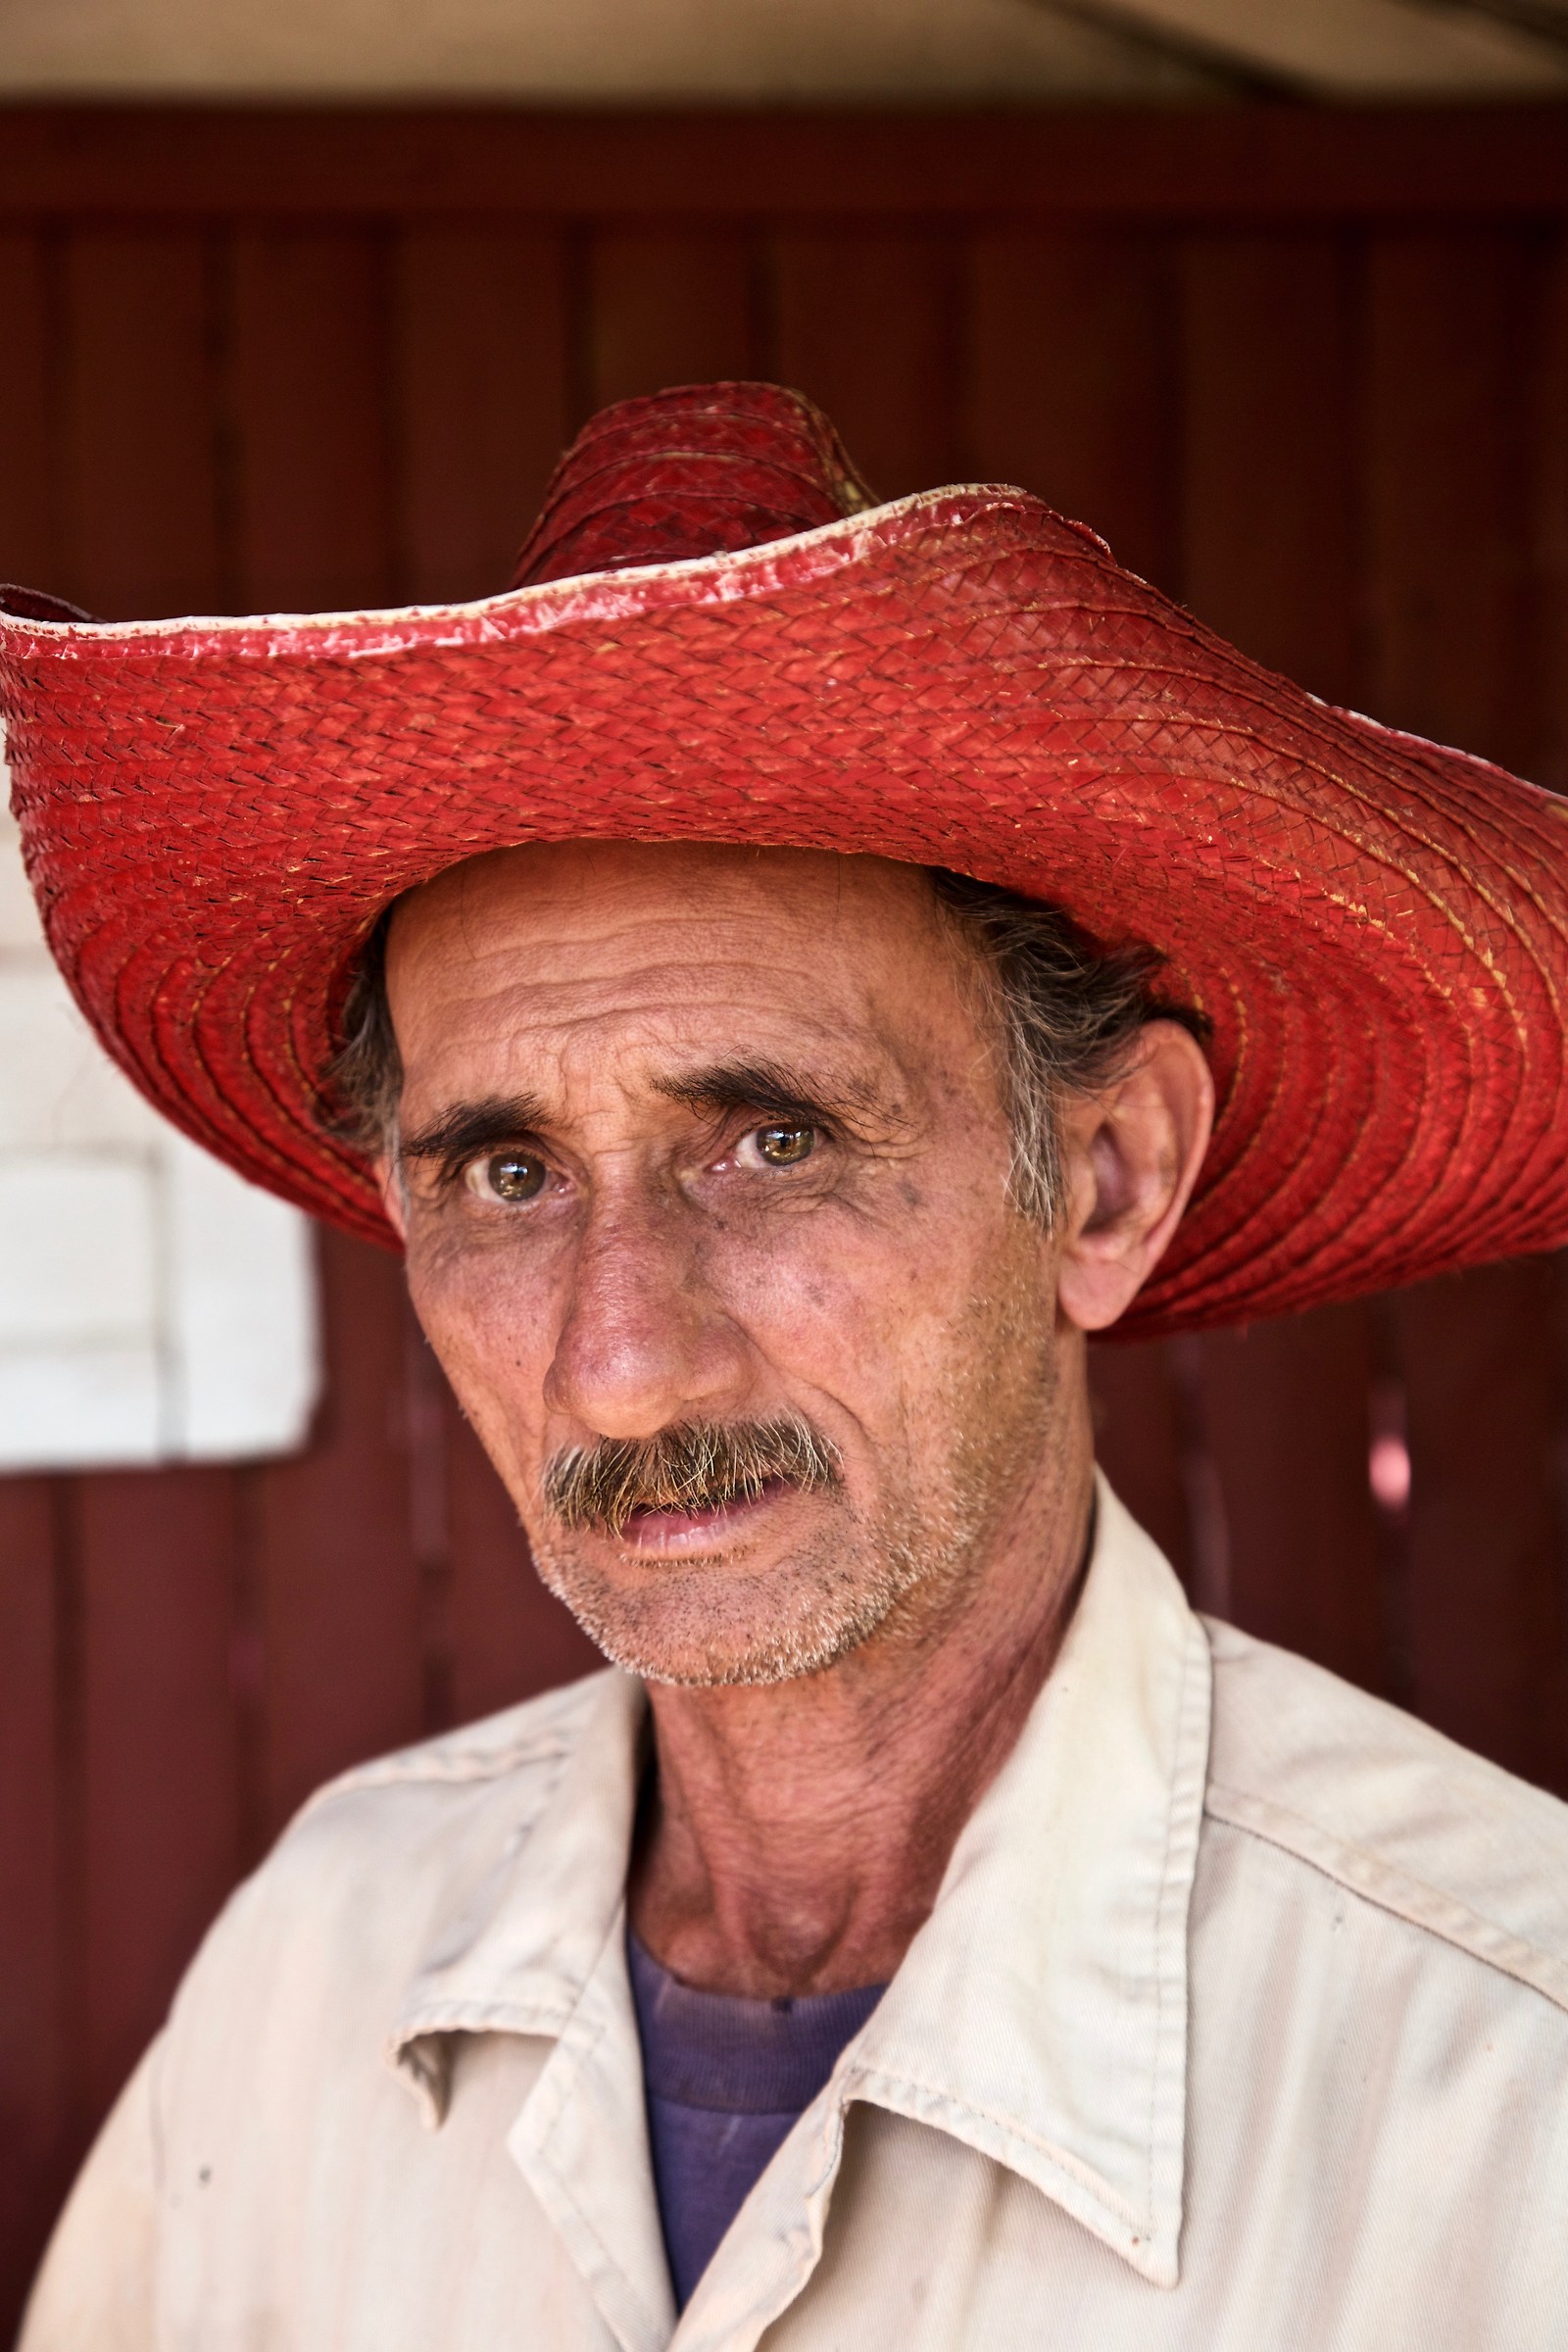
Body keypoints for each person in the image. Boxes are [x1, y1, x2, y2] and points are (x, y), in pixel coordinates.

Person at [5, 381, 1568, 2349]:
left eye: (775, 1143)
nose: (623, 1365)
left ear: (1099, 1182)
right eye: (505, 1173)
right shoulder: (323, 1963)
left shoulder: (1503, 2088)